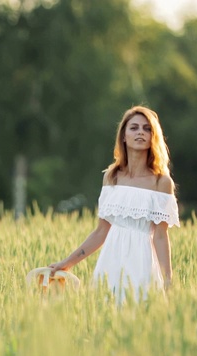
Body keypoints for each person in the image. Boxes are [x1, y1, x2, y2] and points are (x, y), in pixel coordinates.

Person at [48, 105, 180, 304]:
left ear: (154, 137)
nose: (141, 133)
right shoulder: (112, 177)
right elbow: (101, 231)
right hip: (110, 261)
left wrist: (168, 279)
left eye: (147, 129)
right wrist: (66, 263)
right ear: (124, 136)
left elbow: (161, 236)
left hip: (142, 262)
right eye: (134, 128)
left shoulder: (161, 182)